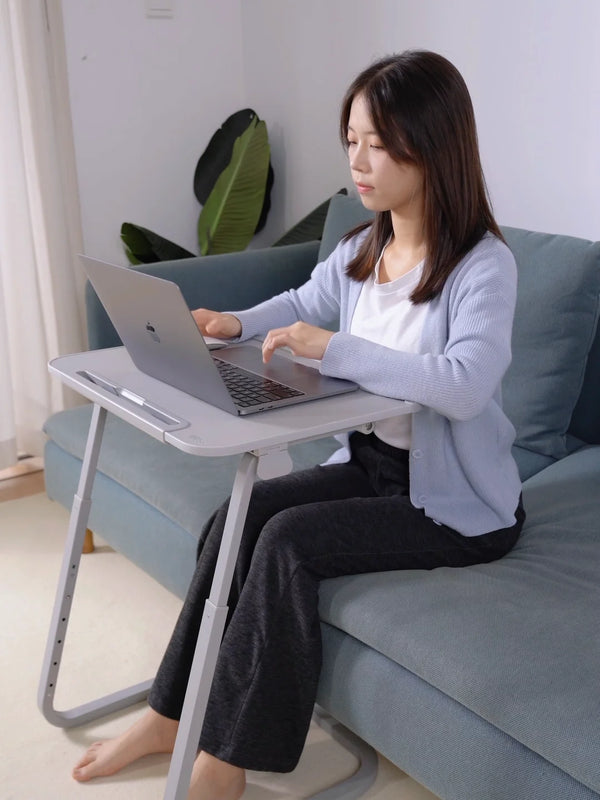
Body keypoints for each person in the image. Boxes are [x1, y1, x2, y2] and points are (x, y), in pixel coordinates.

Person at [72, 50, 524, 799]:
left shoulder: (482, 267)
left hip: (454, 506)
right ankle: (168, 711)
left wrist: (337, 349)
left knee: (285, 542)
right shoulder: (364, 245)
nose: (359, 159)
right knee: (235, 519)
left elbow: (466, 387)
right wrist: (232, 322)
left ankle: (227, 760)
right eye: (351, 138)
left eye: (379, 142)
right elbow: (303, 302)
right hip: (375, 471)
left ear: (434, 143)